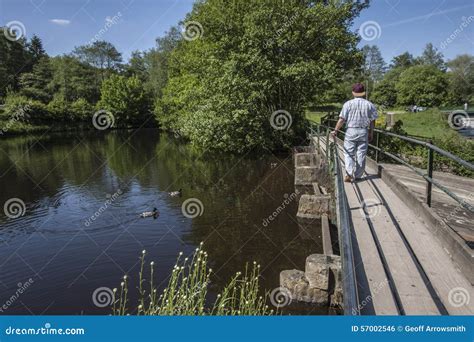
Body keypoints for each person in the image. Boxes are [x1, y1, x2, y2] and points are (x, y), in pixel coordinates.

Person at [331, 83, 378, 182]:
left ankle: (348, 173)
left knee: (348, 153)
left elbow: (342, 119)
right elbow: (373, 120)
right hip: (363, 131)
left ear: (353, 92)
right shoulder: (369, 104)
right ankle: (358, 176)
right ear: (364, 93)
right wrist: (371, 132)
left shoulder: (348, 104)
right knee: (361, 153)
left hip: (351, 130)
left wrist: (335, 130)